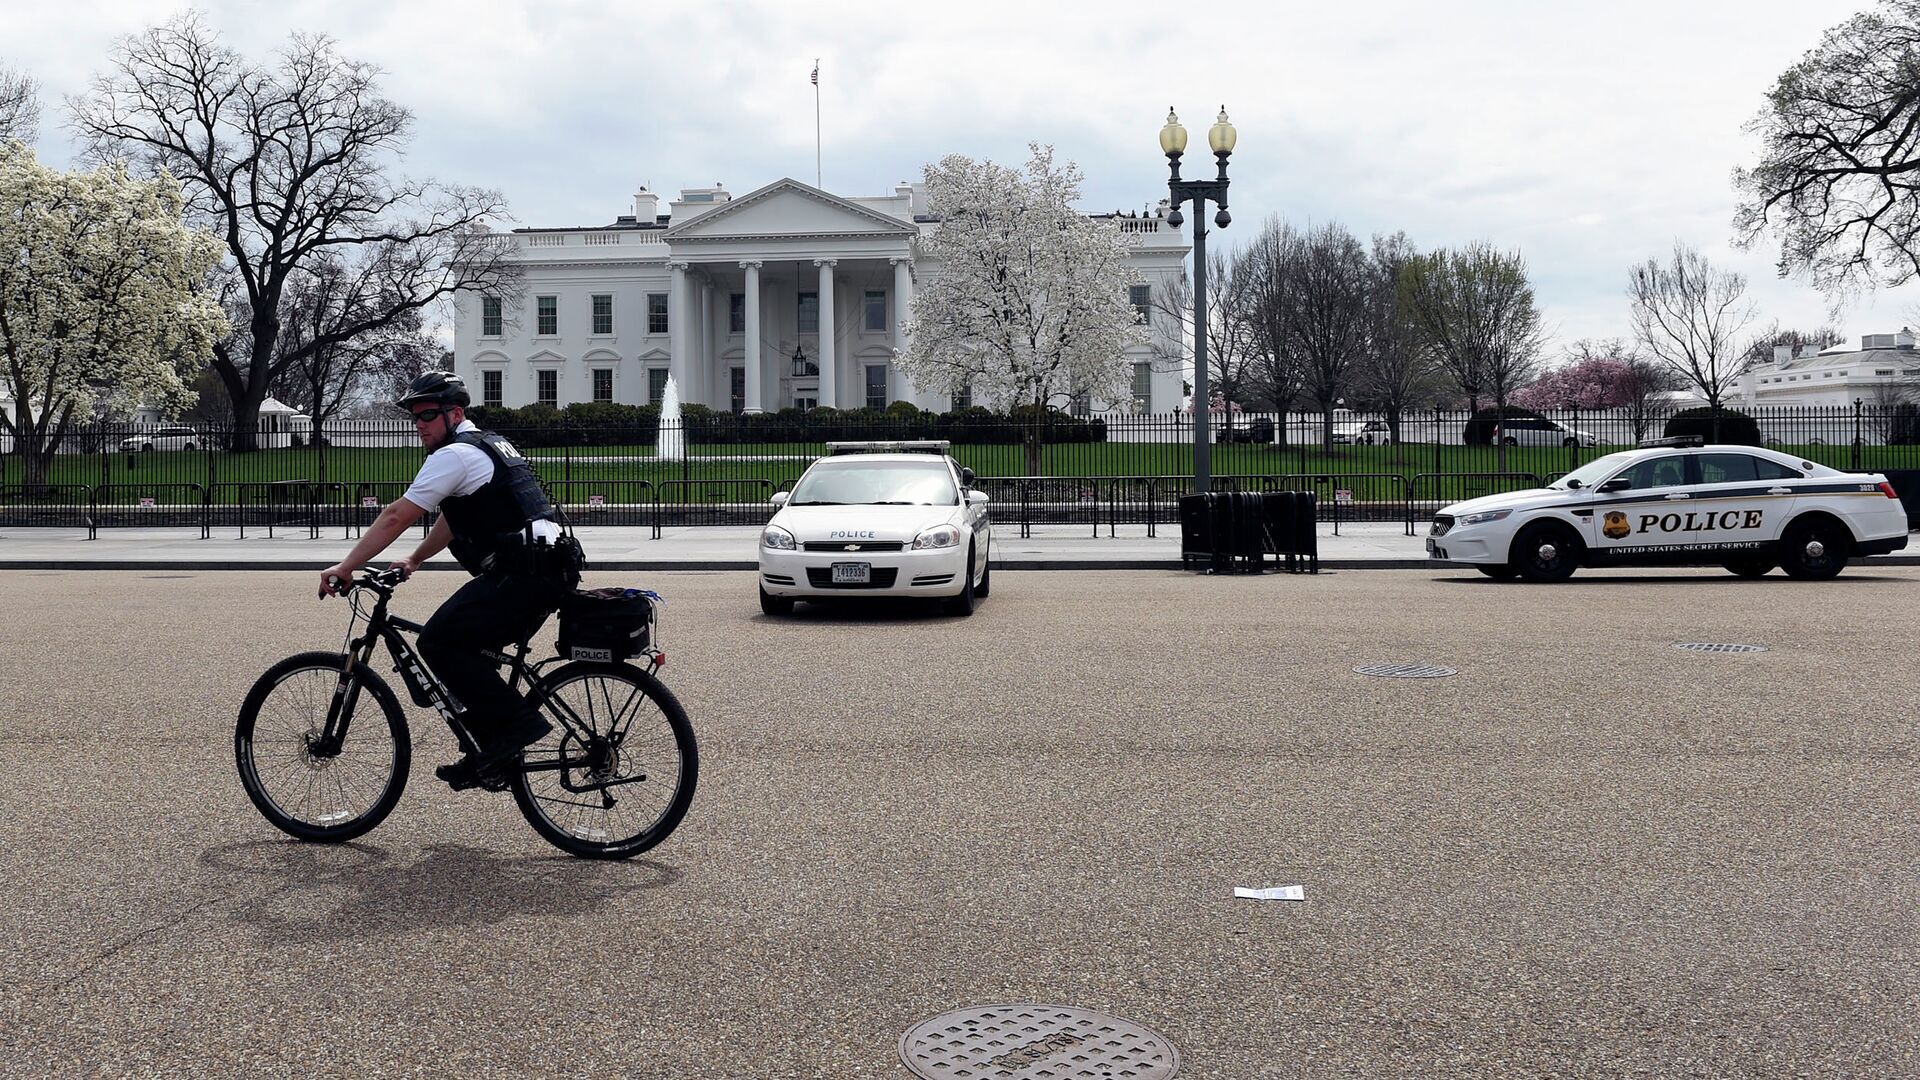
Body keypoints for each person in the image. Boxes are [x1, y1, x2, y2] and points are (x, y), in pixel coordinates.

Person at [318, 371, 583, 790]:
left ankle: (516, 728)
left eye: (427, 415)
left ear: (454, 413)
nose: (419, 424)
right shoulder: (486, 445)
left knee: (438, 642)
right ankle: (487, 749)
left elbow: (396, 515)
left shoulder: (454, 455)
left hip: (524, 576)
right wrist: (415, 559)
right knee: (467, 647)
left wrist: (346, 565)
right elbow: (452, 518)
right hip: (546, 569)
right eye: (415, 417)